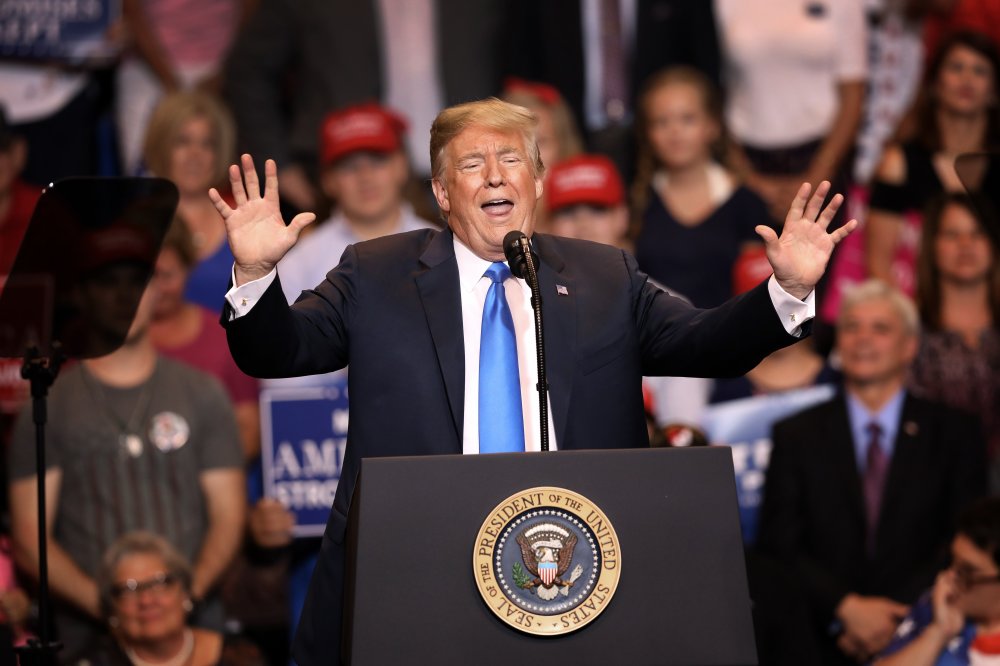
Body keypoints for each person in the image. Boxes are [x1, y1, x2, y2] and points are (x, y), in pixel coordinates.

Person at [212, 97, 856, 665]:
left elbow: (708, 343)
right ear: (441, 192)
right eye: (471, 164)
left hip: (574, 576)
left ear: (539, 179)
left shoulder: (605, 277)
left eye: (512, 159)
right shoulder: (375, 274)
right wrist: (255, 276)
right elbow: (281, 351)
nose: (495, 175)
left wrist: (788, 290)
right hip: (415, 573)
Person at [7, 234, 246, 660]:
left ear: (157, 290)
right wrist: (115, 609)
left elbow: (229, 516)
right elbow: (30, 539)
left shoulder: (201, 392)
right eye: (107, 282)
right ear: (81, 294)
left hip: (196, 633)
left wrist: (182, 599)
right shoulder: (47, 404)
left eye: (138, 280)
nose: (124, 296)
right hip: (91, 640)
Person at [756, 279, 988, 665]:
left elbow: (964, 541)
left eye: (880, 328)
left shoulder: (955, 433)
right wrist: (846, 608)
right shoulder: (795, 434)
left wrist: (899, 618)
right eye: (851, 327)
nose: (863, 338)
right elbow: (778, 545)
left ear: (909, 346)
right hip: (819, 640)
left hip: (931, 631)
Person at [546, 152, 712, 435]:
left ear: (622, 217)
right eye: (568, 212)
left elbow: (684, 437)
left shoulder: (668, 308)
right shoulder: (524, 307)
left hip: (647, 472)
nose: (583, 225)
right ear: (547, 224)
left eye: (597, 210)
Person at [866, 30, 1000, 293]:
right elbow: (878, 264)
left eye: (980, 71)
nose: (967, 78)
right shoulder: (899, 164)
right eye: (956, 67)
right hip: (914, 313)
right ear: (935, 84)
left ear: (994, 92)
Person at [630, 66, 773, 308]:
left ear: (713, 126)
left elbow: (759, 294)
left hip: (728, 341)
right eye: (661, 121)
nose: (675, 132)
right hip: (655, 341)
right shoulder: (636, 200)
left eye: (688, 119)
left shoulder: (747, 204)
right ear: (648, 134)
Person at [716, 0, 867, 223]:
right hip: (745, 161)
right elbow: (710, 89)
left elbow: (853, 93)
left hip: (822, 157)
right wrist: (745, 176)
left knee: (815, 255)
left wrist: (818, 175)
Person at [908, 193, 1000, 489]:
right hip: (933, 485)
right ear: (931, 246)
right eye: (952, 234)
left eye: (978, 233)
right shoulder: (907, 331)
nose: (966, 245)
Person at [150, 220, 260, 460]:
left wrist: (198, 474)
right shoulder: (111, 341)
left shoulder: (224, 340)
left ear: (188, 268)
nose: (156, 289)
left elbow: (250, 431)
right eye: (145, 276)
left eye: (167, 275)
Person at [80, 531, 264, 666]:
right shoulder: (92, 662)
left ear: (185, 592)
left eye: (160, 584)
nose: (146, 600)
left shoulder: (241, 657)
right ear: (112, 609)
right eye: (129, 589)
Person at [875, 497, 1000, 666]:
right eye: (951, 562)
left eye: (967, 572)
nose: (949, 578)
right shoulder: (933, 609)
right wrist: (938, 633)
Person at [142, 91, 238, 311]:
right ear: (161, 147)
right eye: (182, 142)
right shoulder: (134, 220)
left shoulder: (239, 220)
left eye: (207, 144)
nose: (195, 154)